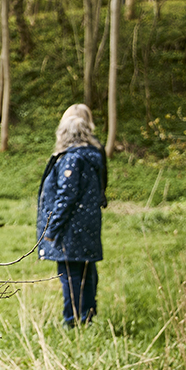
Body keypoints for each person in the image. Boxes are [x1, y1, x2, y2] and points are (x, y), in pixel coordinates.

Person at [37, 104, 107, 327]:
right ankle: (87, 315)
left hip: (70, 227)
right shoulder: (94, 155)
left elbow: (66, 196)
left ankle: (72, 320)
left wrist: (52, 228)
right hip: (88, 223)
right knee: (86, 270)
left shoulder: (71, 158)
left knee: (71, 274)